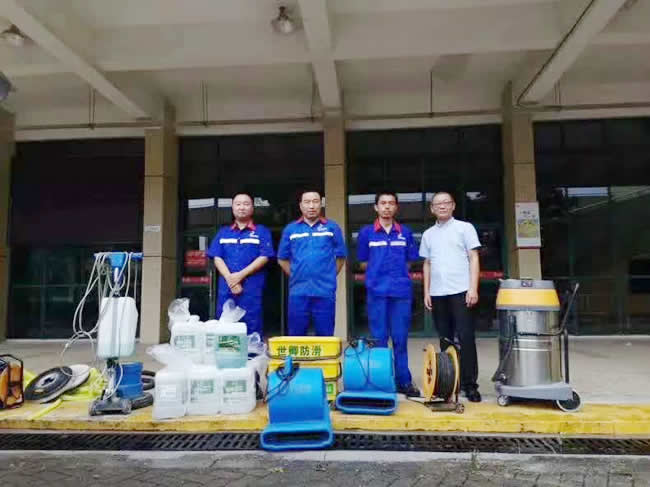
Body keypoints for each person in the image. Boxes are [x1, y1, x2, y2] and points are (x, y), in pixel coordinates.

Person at [357, 191, 421, 397]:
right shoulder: (366, 233)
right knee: (379, 339)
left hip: (400, 293)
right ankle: (382, 381)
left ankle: (404, 381)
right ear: (376, 207)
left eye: (391, 203)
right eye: (383, 203)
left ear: (396, 207)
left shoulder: (405, 233)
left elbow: (410, 261)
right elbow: (363, 262)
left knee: (400, 338)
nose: (386, 207)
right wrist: (377, 276)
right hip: (376, 292)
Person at [419, 192, 482, 402]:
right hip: (438, 293)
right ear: (432, 209)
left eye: (446, 203)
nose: (442, 206)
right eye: (438, 204)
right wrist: (426, 291)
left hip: (461, 291)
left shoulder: (465, 228)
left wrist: (473, 288)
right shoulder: (428, 234)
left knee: (465, 337)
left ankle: (470, 385)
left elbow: (474, 257)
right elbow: (427, 264)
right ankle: (450, 382)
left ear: (453, 206)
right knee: (445, 340)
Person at [277, 190, 347, 336]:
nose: (311, 206)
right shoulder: (291, 229)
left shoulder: (332, 228)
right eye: (307, 202)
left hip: (325, 291)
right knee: (296, 336)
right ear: (300, 206)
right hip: (298, 291)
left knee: (325, 336)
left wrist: (329, 275)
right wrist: (296, 274)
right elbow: (282, 259)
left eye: (315, 202)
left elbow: (341, 257)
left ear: (321, 204)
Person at [206, 192, 274, 337]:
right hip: (227, 287)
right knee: (225, 323)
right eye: (238, 204)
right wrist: (230, 279)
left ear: (252, 208)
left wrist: (240, 276)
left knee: (252, 322)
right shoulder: (223, 232)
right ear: (232, 208)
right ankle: (227, 351)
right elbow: (217, 257)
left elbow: (264, 257)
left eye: (246, 204)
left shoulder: (261, 232)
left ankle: (252, 351)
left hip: (251, 287)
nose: (241, 207)